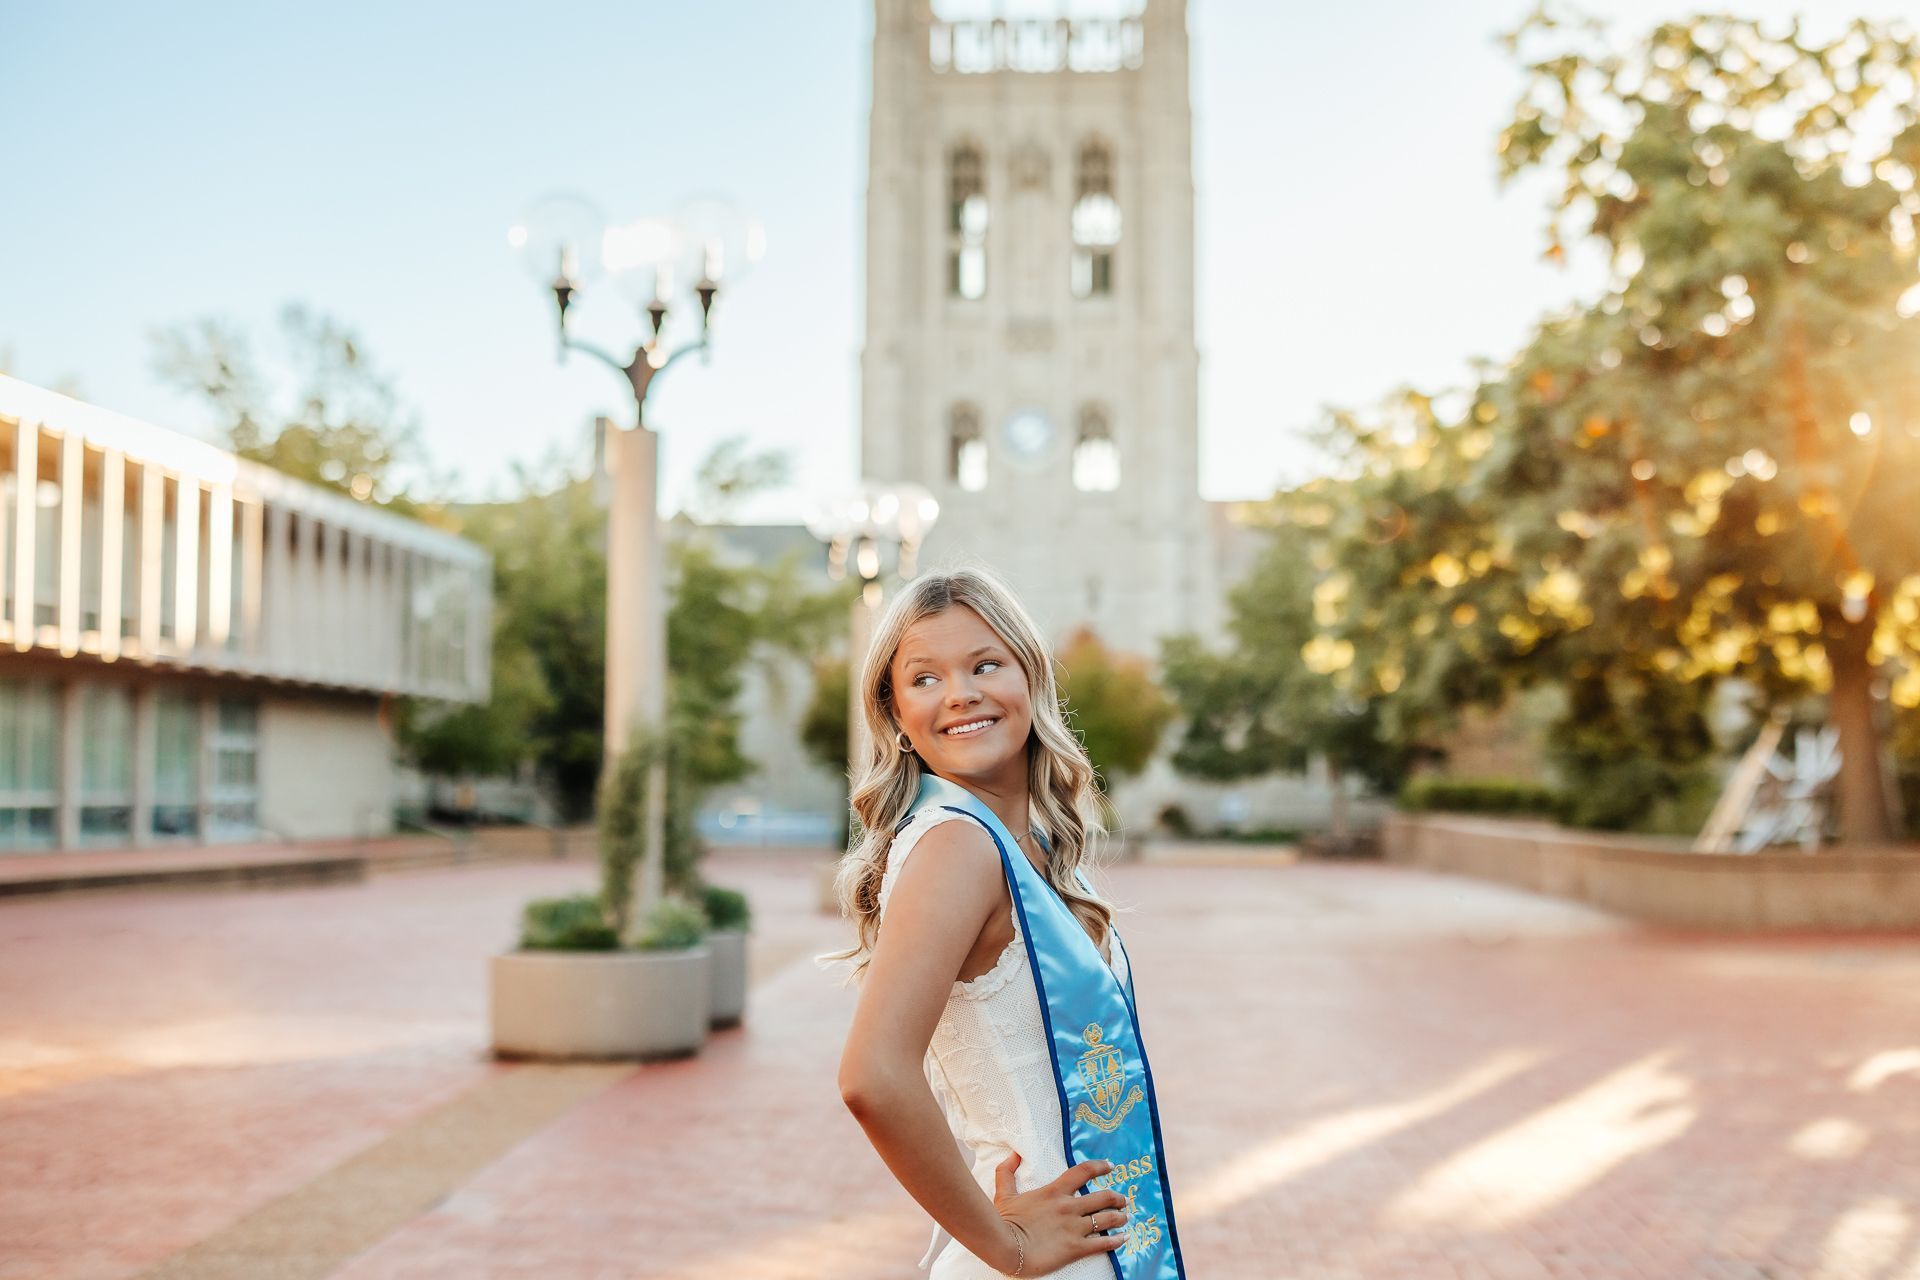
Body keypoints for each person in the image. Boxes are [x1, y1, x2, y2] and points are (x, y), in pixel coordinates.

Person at [826, 566, 1186, 1279]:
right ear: (896, 716)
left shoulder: (1034, 852)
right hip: (1041, 1256)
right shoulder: (955, 845)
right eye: (924, 678)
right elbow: (872, 1076)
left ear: (1030, 679)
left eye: (985, 664)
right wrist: (1006, 1244)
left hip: (1085, 1245)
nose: (960, 693)